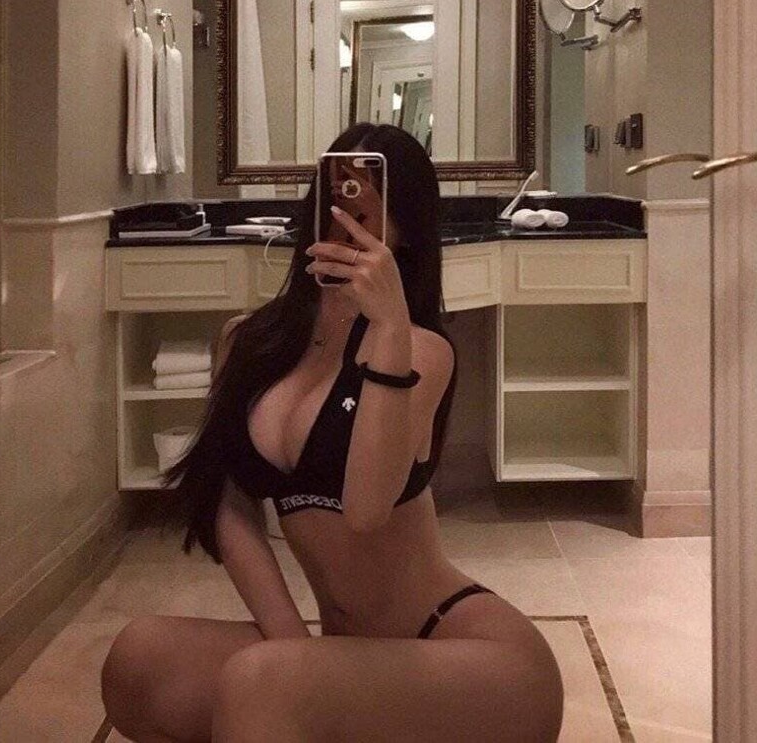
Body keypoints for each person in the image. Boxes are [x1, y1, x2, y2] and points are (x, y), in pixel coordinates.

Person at [100, 123, 564, 742]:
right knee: (139, 661)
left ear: (405, 228)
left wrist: (390, 326)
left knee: (263, 685)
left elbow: (366, 510)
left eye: (368, 203)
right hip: (346, 654)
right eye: (334, 191)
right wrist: (293, 643)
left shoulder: (422, 352)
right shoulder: (250, 340)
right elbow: (227, 503)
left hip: (465, 655)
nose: (345, 213)